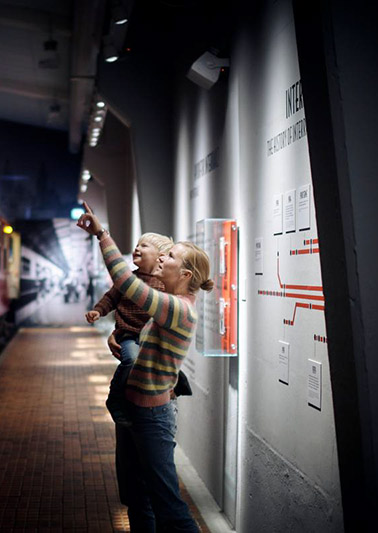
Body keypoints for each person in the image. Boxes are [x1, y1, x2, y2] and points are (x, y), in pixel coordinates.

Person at [76, 202, 214, 533]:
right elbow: (144, 337)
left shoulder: (177, 308)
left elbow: (126, 283)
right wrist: (118, 334)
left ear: (184, 275)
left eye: (170, 257)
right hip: (138, 409)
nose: (162, 258)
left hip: (151, 416)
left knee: (169, 506)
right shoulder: (170, 305)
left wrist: (102, 235)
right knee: (139, 496)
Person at [85, 233, 173, 427]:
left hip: (153, 340)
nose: (137, 248)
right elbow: (110, 298)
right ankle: (115, 398)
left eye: (144, 246)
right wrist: (98, 311)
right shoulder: (127, 281)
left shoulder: (165, 284)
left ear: (160, 256)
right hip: (129, 335)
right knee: (132, 360)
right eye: (137, 245)